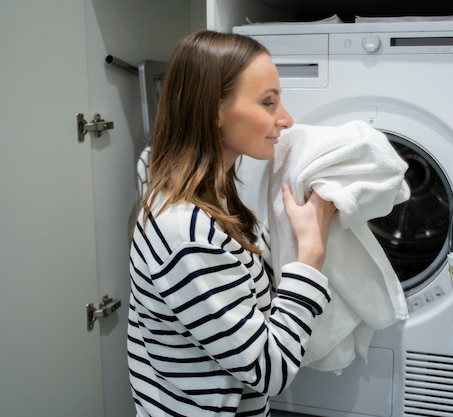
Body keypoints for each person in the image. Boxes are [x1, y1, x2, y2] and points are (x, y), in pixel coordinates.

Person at [127, 29, 337, 417]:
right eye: (268, 102)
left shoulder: (208, 192)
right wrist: (310, 255)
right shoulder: (186, 231)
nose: (286, 119)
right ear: (213, 111)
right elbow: (268, 370)